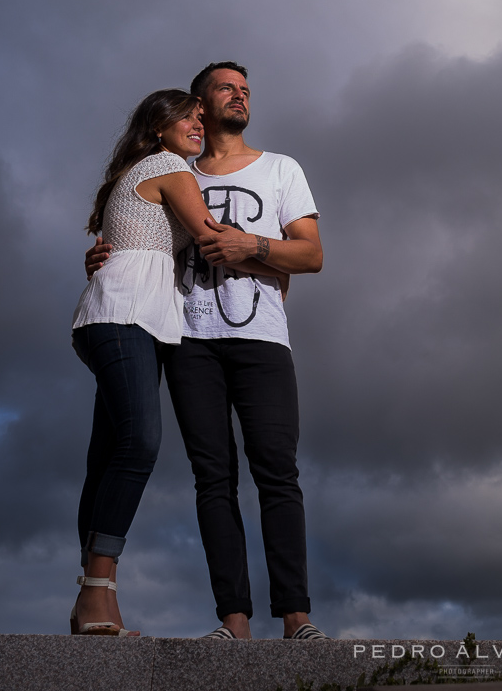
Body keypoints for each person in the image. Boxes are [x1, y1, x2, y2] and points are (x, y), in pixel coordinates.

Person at [86, 62, 327, 640]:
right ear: (198, 103)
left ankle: (297, 618)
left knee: (277, 472)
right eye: (226, 87)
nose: (240, 96)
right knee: (211, 478)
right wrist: (102, 256)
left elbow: (312, 254)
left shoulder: (280, 169)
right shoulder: (172, 167)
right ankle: (233, 621)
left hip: (263, 336)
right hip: (187, 339)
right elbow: (133, 232)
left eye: (246, 89)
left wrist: (256, 244)